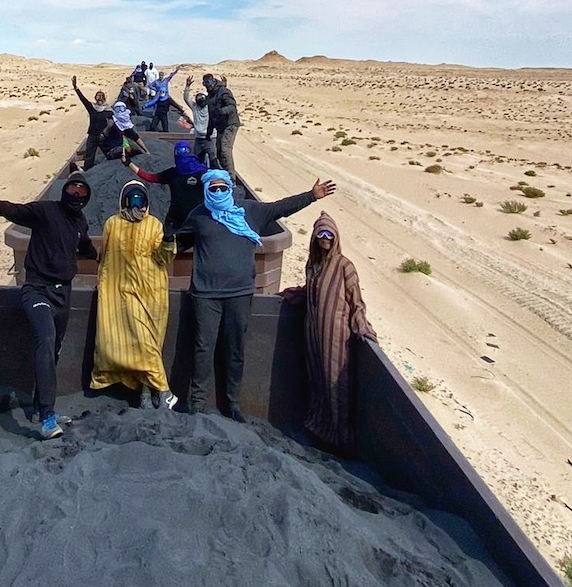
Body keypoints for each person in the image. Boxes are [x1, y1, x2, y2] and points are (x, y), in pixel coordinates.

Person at [176, 169, 335, 420]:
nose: (218, 192)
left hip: (239, 294)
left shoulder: (250, 212)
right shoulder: (199, 215)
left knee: (235, 349)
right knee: (202, 349)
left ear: (230, 187)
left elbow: (280, 208)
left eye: (222, 187)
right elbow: (175, 243)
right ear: (206, 190)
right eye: (213, 188)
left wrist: (311, 196)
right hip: (205, 294)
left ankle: (232, 405)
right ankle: (196, 404)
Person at [0, 173, 97, 439]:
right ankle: (47, 418)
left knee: (54, 351)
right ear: (64, 190)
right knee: (45, 340)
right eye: (72, 189)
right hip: (36, 290)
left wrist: (104, 254)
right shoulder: (46, 211)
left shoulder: (80, 221)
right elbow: (14, 211)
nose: (76, 195)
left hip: (63, 294)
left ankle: (38, 407)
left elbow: (86, 246)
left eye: (81, 192)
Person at [282, 212, 375, 452]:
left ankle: (339, 438)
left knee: (337, 384)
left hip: (335, 335)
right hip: (313, 333)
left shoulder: (345, 266)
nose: (325, 238)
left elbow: (357, 301)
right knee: (318, 380)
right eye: (321, 234)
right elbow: (310, 292)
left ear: (336, 238)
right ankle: (320, 430)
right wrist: (293, 294)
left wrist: (361, 325)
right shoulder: (313, 264)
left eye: (329, 234)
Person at [91, 180, 178, 409]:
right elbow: (106, 256)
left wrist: (168, 241)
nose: (139, 207)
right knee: (138, 342)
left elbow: (164, 259)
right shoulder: (112, 224)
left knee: (150, 344)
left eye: (142, 201)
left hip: (153, 294)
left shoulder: (154, 225)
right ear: (124, 201)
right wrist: (103, 284)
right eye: (134, 201)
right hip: (122, 293)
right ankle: (165, 390)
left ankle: (146, 393)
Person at [131, 139, 205, 236]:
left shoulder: (173, 173)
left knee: (170, 245)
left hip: (179, 219)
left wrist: (129, 164)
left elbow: (150, 177)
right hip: (195, 218)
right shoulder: (204, 173)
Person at [203, 74, 241, 177]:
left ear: (214, 81)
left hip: (230, 123)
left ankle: (231, 178)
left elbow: (232, 106)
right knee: (218, 151)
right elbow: (211, 116)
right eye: (205, 83)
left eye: (209, 83)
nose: (208, 85)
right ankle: (223, 173)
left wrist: (221, 111)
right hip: (220, 126)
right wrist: (208, 132)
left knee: (225, 150)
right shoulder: (210, 97)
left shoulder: (223, 91)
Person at [72, 76, 112, 170]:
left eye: (102, 96)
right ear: (95, 97)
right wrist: (75, 87)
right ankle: (87, 173)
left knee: (110, 154)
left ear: (104, 98)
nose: (100, 98)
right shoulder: (91, 107)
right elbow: (83, 99)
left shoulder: (109, 110)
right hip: (92, 136)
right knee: (89, 157)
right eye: (98, 95)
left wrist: (105, 133)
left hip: (103, 137)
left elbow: (111, 123)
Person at [182, 78, 212, 164]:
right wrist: (187, 86)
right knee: (197, 160)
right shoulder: (195, 108)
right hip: (199, 138)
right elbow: (186, 98)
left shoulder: (211, 107)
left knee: (213, 160)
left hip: (210, 138)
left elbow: (220, 101)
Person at [148, 65, 182, 132]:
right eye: (160, 75)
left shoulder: (165, 80)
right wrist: (155, 89)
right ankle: (154, 115)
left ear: (163, 76)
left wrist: (176, 71)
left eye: (162, 75)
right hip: (158, 95)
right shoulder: (156, 82)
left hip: (166, 96)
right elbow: (150, 85)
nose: (161, 76)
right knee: (156, 105)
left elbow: (171, 76)